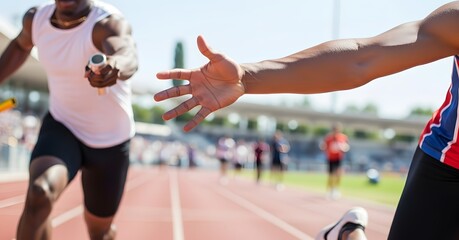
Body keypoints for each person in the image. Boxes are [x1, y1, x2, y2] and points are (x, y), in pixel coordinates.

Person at [153, 1, 459, 239]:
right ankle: (347, 233)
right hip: (449, 166)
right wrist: (248, 77)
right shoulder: (455, 19)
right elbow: (360, 59)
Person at [0, 0, 138, 239]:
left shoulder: (105, 23)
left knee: (99, 231)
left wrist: (114, 65)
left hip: (110, 139)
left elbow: (127, 54)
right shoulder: (36, 20)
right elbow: (21, 46)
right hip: (63, 125)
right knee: (39, 193)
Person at [320, 122, 350, 199]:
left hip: (339, 158)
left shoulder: (343, 137)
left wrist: (344, 148)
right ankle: (329, 190)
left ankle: (336, 190)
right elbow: (323, 146)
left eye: (337, 129)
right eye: (335, 129)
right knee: (331, 175)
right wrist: (324, 148)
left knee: (338, 174)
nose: (336, 130)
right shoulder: (328, 137)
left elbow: (347, 146)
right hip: (330, 158)